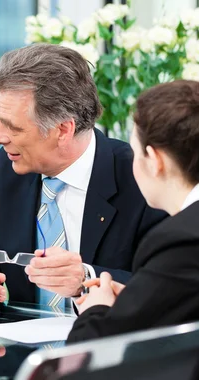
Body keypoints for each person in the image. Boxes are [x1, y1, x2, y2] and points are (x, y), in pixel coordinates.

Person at [0, 43, 166, 308]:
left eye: (12, 126)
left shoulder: (140, 176)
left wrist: (86, 279)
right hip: (17, 347)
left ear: (63, 130)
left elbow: (170, 288)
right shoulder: (10, 168)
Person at [68, 80, 199, 342]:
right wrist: (135, 299)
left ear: (155, 160)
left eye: (135, 153)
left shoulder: (178, 241)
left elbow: (92, 348)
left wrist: (96, 309)